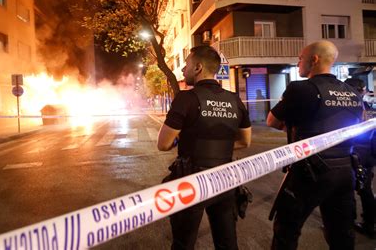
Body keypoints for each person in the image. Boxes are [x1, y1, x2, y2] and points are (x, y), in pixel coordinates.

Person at [267, 40, 364, 249]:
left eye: (300, 58)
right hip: (346, 169)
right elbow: (359, 122)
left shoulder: (301, 88)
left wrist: (296, 127)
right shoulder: (352, 92)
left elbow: (272, 121)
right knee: (342, 233)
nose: (298, 62)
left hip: (310, 171)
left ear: (314, 60)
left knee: (287, 228)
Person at [157, 45, 252, 250]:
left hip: (191, 181)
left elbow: (163, 144)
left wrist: (187, 143)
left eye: (187, 65)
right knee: (227, 242)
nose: (183, 70)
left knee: (184, 243)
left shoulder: (186, 98)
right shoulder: (234, 99)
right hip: (226, 178)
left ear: (198, 67)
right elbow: (245, 141)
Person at [345, 78, 375, 238]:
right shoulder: (369, 107)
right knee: (365, 190)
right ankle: (370, 224)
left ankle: (347, 224)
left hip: (353, 152)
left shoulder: (349, 107)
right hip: (369, 154)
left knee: (346, 189)